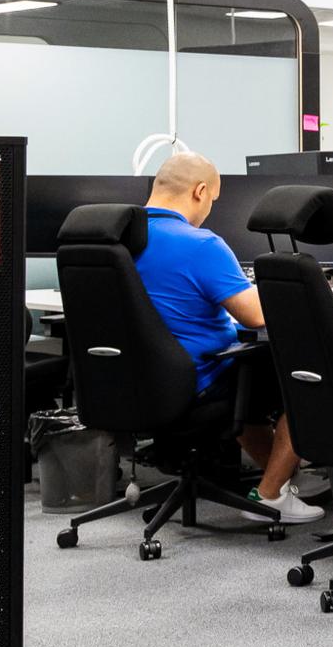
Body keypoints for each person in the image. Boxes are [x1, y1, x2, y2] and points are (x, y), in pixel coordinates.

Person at [135, 153, 322, 524]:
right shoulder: (200, 244)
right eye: (212, 201)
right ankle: (270, 496)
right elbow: (256, 314)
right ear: (200, 191)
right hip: (199, 380)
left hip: (140, 382)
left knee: (250, 374)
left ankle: (277, 478)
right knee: (308, 380)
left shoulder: (118, 237)